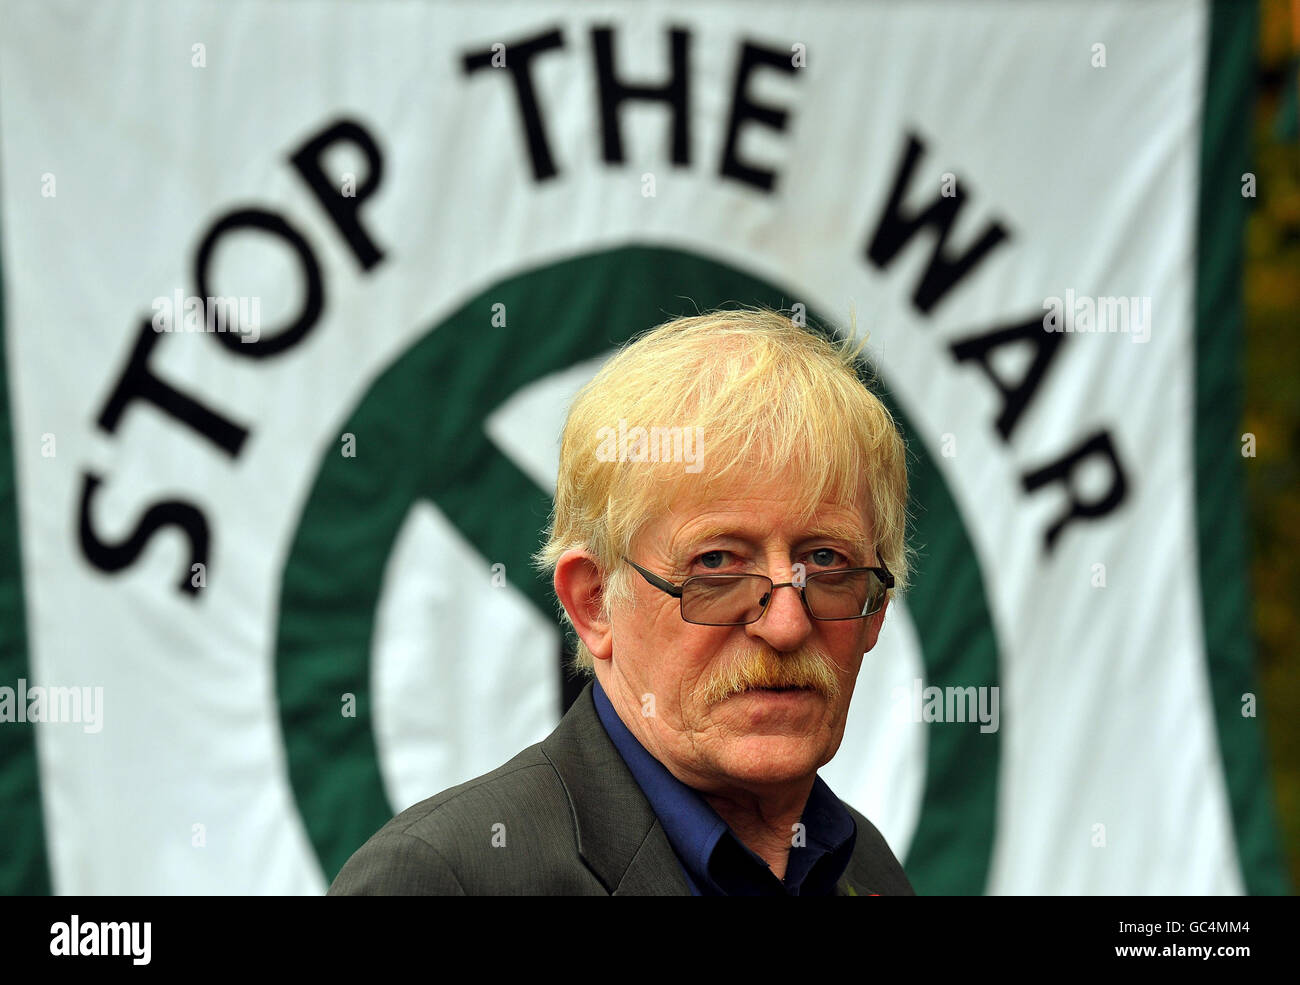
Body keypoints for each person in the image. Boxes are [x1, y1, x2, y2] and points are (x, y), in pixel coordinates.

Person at [328, 307, 915, 896]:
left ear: (878, 610)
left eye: (825, 562)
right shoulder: (440, 879)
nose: (786, 625)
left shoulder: (871, 873)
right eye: (715, 564)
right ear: (593, 604)